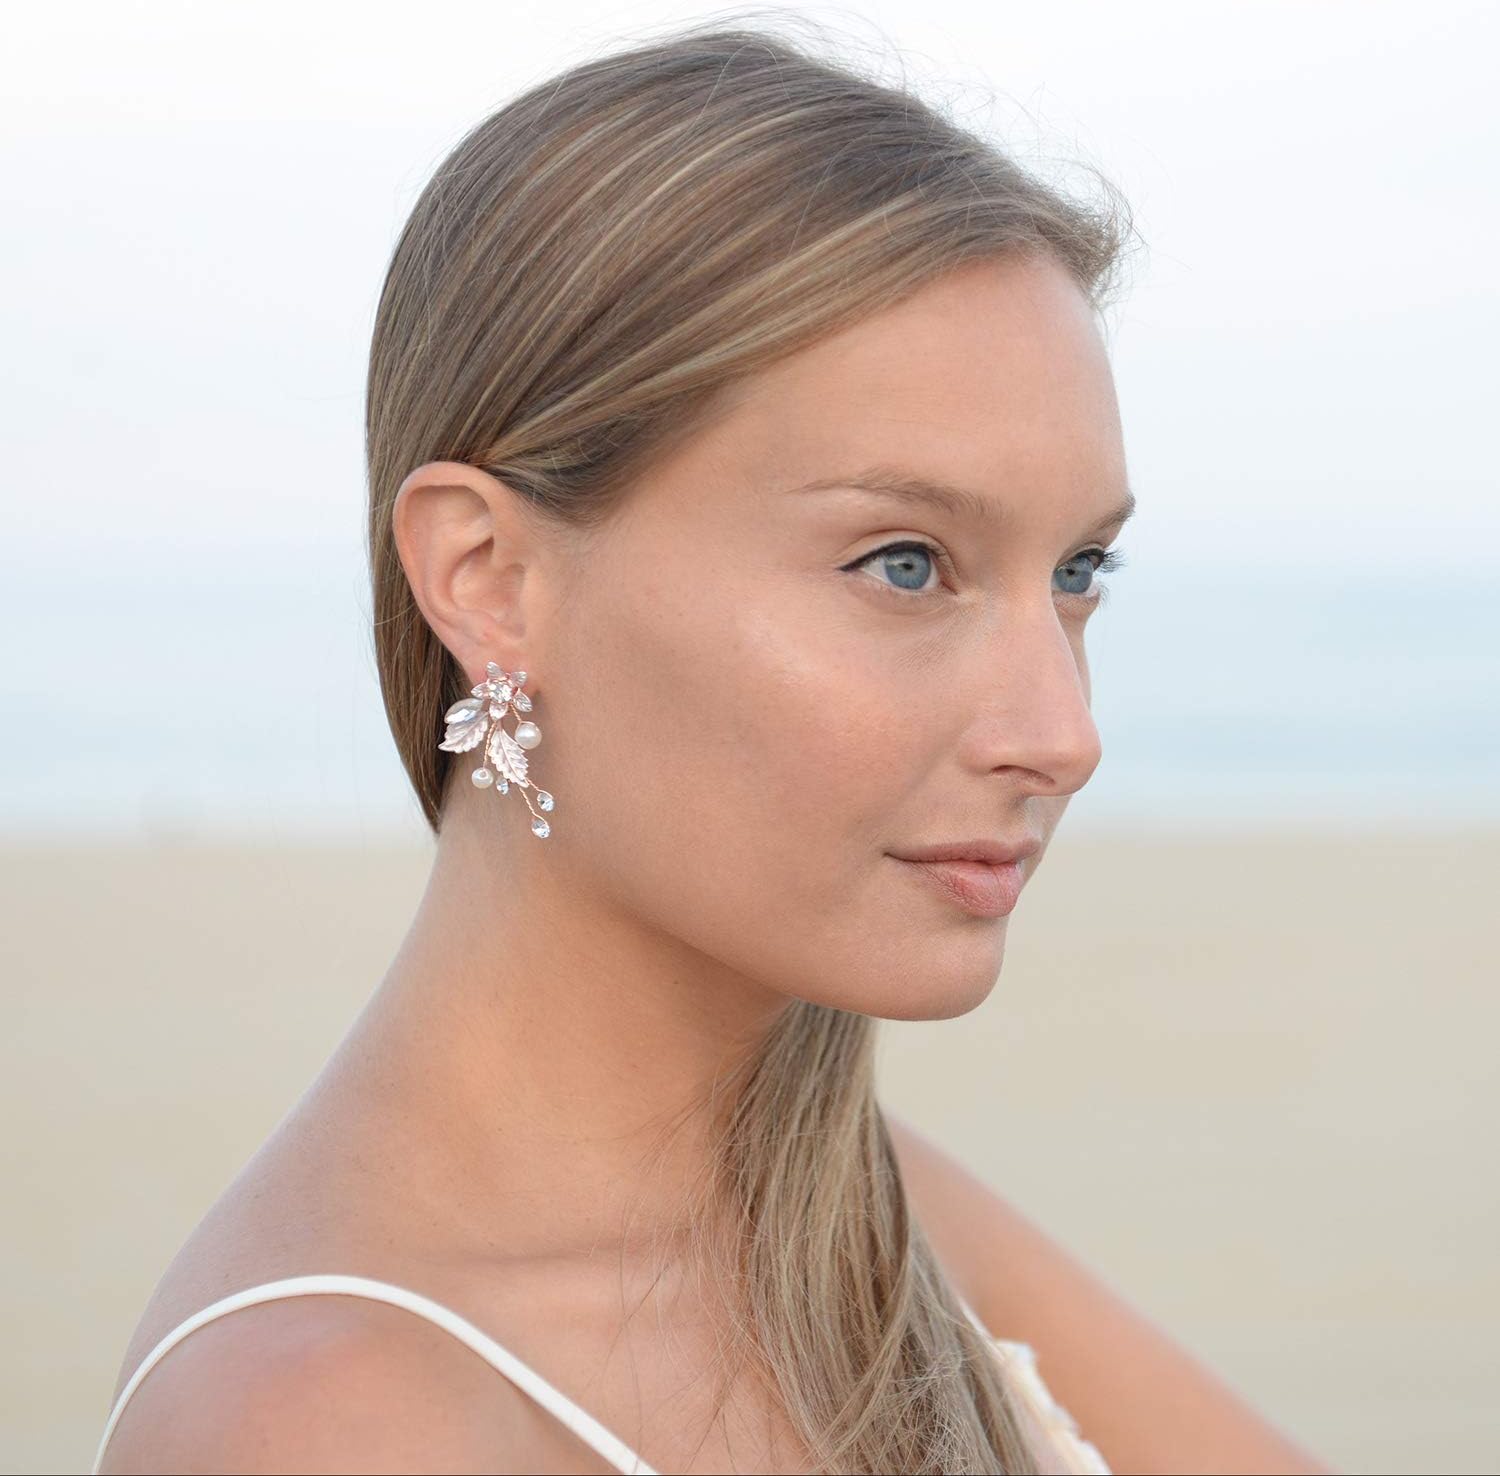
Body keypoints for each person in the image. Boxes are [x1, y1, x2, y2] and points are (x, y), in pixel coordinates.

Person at [94, 19, 1326, 1474]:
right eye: (905, 565)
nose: (1064, 735)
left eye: (1077, 573)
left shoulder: (866, 1226)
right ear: (490, 578)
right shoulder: (328, 1423)